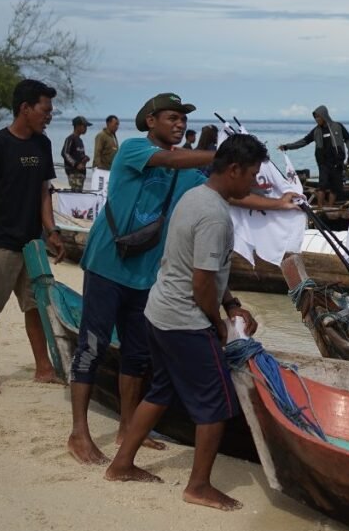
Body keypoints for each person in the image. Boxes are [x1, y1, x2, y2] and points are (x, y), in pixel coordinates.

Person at [66, 92, 298, 465]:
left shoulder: (189, 174)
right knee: (91, 346)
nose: (179, 124)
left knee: (137, 356)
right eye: (171, 117)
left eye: (183, 119)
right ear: (151, 121)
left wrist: (279, 202)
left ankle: (128, 426)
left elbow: (230, 191)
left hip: (145, 277)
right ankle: (79, 432)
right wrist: (229, 157)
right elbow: (182, 161)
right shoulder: (133, 151)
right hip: (107, 264)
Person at [105, 134, 269, 511]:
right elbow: (201, 283)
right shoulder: (213, 214)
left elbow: (201, 270)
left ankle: (121, 464)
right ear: (233, 170)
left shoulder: (193, 196)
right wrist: (220, 324)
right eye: (252, 175)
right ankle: (198, 486)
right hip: (185, 320)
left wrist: (231, 303)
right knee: (217, 404)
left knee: (160, 389)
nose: (254, 184)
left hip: (158, 311)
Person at [0, 78, 66, 393]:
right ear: (25, 108)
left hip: (33, 244)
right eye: (45, 109)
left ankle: (43, 367)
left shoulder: (43, 144)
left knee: (35, 307)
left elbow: (43, 192)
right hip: (2, 244)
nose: (49, 115)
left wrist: (51, 231)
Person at [278, 105, 349, 207]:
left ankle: (330, 208)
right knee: (322, 187)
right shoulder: (316, 131)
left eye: (318, 117)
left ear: (324, 116)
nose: (317, 119)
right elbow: (304, 141)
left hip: (337, 162)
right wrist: (287, 146)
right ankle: (319, 208)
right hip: (323, 163)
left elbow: (348, 139)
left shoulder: (338, 127)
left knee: (335, 188)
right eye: (315, 118)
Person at [61, 116, 92, 191]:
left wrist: (85, 158)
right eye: (84, 126)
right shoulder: (70, 139)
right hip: (73, 173)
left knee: (79, 192)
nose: (86, 129)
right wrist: (76, 164)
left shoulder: (80, 140)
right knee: (76, 193)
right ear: (77, 126)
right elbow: (65, 153)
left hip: (81, 173)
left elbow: (78, 154)